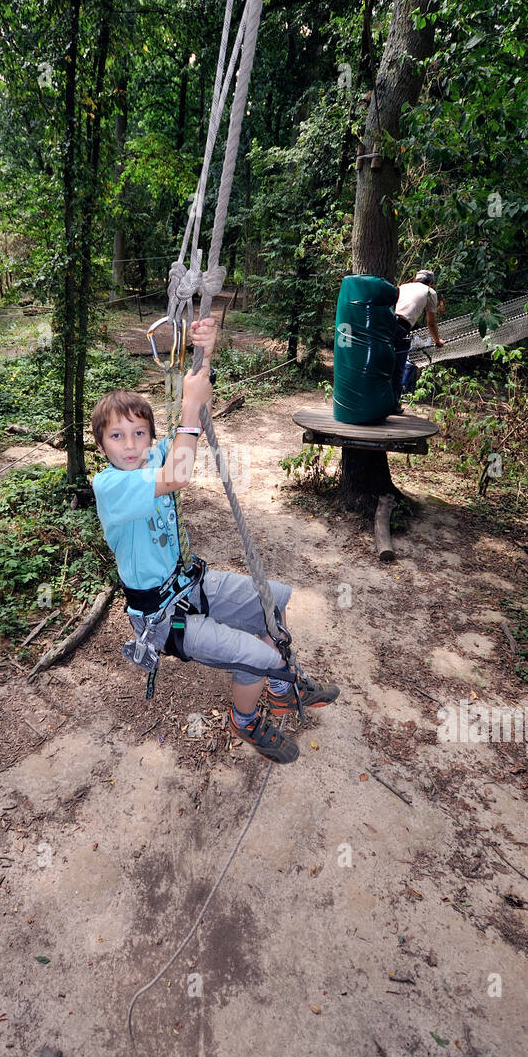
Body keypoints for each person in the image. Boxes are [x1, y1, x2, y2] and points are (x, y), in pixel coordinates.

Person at [90, 315, 338, 765]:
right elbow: (180, 472)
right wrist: (186, 409)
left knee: (272, 601)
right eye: (117, 436)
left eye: (139, 433)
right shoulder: (109, 487)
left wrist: (206, 352)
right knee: (256, 654)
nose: (131, 444)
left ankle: (282, 689)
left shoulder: (152, 459)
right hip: (161, 619)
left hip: (188, 585)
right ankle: (244, 719)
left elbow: (191, 425)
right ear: (101, 444)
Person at [393, 268, 445, 410]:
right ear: (431, 283)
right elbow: (431, 322)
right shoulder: (430, 292)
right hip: (400, 327)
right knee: (399, 367)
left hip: (384, 322)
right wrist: (437, 341)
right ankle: (392, 405)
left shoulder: (403, 286)